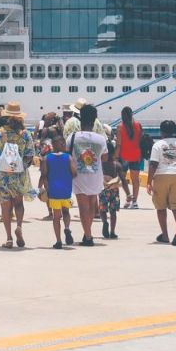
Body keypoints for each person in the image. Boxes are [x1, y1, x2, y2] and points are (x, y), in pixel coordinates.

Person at [0, 102, 35, 248]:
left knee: (5, 206)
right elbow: (30, 155)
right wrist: (21, 166)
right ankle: (19, 226)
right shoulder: (25, 133)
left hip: (2, 175)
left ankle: (8, 238)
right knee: (19, 203)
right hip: (18, 174)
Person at [147, 120, 176, 247]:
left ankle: (165, 235)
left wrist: (149, 181)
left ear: (161, 132)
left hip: (161, 175)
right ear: (175, 131)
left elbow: (153, 164)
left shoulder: (158, 145)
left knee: (161, 207)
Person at [69, 104, 107, 247]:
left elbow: (68, 155)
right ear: (94, 119)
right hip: (96, 175)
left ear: (80, 119)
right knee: (91, 206)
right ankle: (87, 233)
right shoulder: (101, 139)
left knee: (83, 207)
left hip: (79, 176)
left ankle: (89, 236)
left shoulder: (72, 137)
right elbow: (104, 157)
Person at [41, 134, 77, 249]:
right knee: (66, 212)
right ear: (62, 144)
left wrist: (44, 187)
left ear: (53, 146)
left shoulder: (47, 158)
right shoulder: (68, 157)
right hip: (66, 189)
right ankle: (67, 228)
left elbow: (44, 175)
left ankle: (58, 241)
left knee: (56, 217)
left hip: (54, 190)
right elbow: (74, 173)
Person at [117, 106, 144, 209]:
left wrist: (115, 156)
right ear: (132, 114)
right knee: (135, 180)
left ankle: (128, 196)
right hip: (136, 155)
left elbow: (119, 144)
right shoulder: (138, 125)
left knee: (122, 179)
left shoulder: (120, 127)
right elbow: (140, 140)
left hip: (124, 156)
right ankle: (135, 201)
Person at [99, 145, 123, 239]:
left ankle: (105, 221)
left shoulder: (100, 164)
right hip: (114, 190)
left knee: (102, 209)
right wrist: (128, 193)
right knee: (113, 212)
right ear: (113, 153)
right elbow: (123, 180)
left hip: (103, 189)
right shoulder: (117, 165)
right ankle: (112, 232)